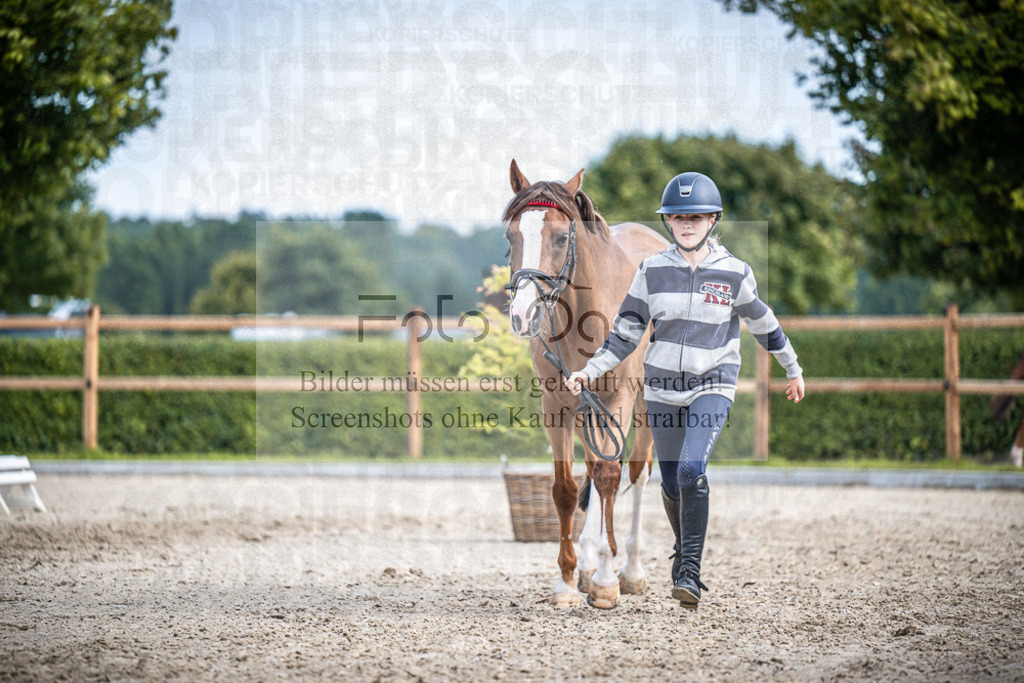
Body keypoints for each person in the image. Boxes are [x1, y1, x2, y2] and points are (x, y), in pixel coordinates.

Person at [564, 171, 805, 608]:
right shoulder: (651, 271)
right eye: (677, 218)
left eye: (695, 217)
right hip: (661, 390)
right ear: (668, 223)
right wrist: (588, 370)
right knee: (673, 482)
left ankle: (688, 569)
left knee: (693, 469)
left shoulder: (733, 273)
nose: (686, 224)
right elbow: (625, 334)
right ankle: (684, 552)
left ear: (713, 219)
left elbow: (762, 322)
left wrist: (792, 367)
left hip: (712, 384)